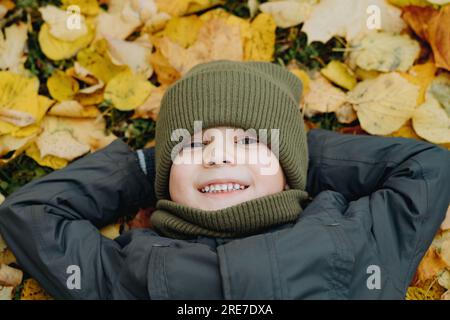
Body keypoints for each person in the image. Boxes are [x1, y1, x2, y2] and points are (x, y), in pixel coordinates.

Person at [0, 60, 449, 299]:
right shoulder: (124, 271)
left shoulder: (360, 242)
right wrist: (146, 168)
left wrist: (298, 153)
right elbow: (32, 212)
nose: (218, 157)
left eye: (250, 141)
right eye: (193, 145)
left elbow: (427, 167)